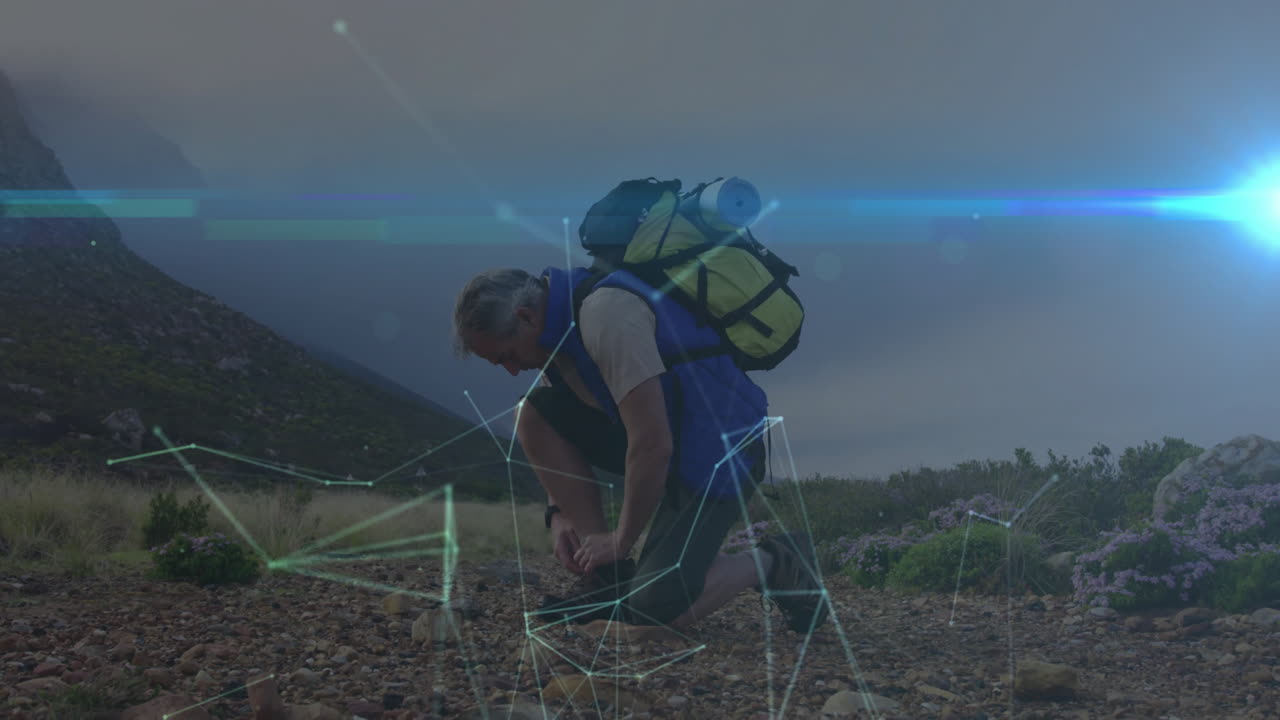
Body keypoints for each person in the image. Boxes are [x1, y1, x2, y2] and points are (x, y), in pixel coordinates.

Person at [452, 264, 828, 632]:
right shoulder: (556, 333)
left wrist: (622, 539)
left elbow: (652, 443)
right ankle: (606, 578)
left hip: (719, 453)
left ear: (526, 317)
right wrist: (559, 511)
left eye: (507, 355)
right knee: (531, 413)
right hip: (669, 441)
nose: (512, 370)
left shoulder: (606, 316)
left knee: (655, 609)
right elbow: (558, 422)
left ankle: (772, 560)